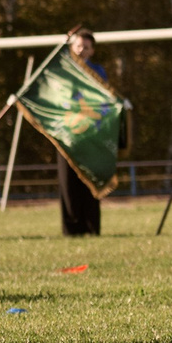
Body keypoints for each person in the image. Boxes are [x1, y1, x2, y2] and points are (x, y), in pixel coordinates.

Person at [57, 27, 109, 237]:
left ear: (92, 51)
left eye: (85, 47)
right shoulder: (62, 70)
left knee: (89, 180)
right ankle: (71, 229)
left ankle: (91, 227)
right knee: (67, 183)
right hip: (67, 133)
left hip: (90, 134)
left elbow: (104, 100)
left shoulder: (98, 71)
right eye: (78, 46)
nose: (81, 50)